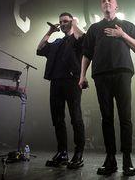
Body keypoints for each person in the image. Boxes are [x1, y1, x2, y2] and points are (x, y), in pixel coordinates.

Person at [79, 0, 135, 176]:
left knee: (125, 117)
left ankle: (127, 160)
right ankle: (110, 159)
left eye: (110, 0)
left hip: (122, 73)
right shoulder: (94, 28)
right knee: (106, 118)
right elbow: (86, 54)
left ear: (116, 6)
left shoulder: (127, 25)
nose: (106, 2)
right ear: (101, 7)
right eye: (103, 1)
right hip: (101, 76)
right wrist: (82, 76)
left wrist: (122, 34)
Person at [37, 12, 85, 169]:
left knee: (75, 119)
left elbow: (84, 40)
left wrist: (75, 24)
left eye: (66, 21)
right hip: (56, 83)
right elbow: (40, 48)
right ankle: (62, 152)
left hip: (72, 82)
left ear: (71, 22)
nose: (63, 24)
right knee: (57, 119)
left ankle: (78, 153)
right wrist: (50, 32)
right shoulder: (57, 42)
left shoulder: (76, 39)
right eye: (61, 22)